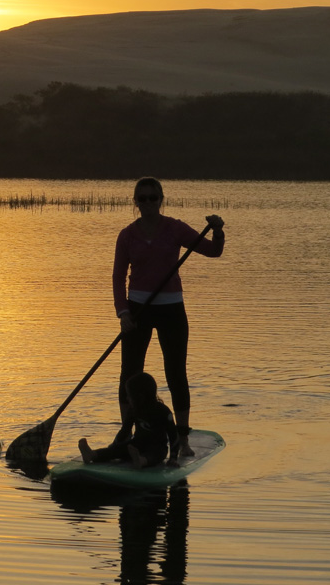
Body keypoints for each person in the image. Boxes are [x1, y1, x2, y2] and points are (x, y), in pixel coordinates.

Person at [113, 177, 225, 455]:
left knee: (175, 372)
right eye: (142, 198)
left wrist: (218, 230)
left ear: (161, 199)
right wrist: (123, 312)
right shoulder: (127, 235)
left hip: (171, 308)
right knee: (130, 374)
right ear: (135, 202)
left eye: (153, 197)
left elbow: (213, 251)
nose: (148, 203)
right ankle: (128, 432)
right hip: (138, 309)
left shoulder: (175, 229)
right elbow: (117, 277)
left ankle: (183, 439)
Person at [79, 372, 180, 468]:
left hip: (158, 447)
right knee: (119, 449)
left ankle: (141, 461)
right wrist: (114, 446)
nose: (127, 398)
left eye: (130, 396)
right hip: (137, 445)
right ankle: (92, 455)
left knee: (155, 454)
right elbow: (125, 431)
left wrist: (173, 458)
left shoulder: (163, 411)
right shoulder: (133, 410)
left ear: (140, 397)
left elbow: (173, 435)